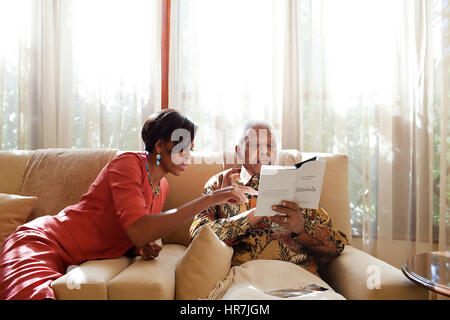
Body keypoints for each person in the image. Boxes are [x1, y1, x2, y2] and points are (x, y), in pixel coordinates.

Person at [0, 109, 256, 300]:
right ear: (159, 145)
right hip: (42, 242)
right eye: (182, 146)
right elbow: (139, 228)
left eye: (191, 148)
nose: (189, 154)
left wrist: (141, 248)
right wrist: (211, 199)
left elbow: (137, 232)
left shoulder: (162, 186)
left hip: (71, 258)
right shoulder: (128, 164)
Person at [189, 121, 349, 277]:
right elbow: (198, 236)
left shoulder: (298, 183)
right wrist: (250, 217)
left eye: (270, 145)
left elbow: (337, 246)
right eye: (254, 145)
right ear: (238, 151)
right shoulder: (221, 184)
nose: (264, 151)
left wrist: (302, 229)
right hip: (248, 279)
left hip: (301, 279)